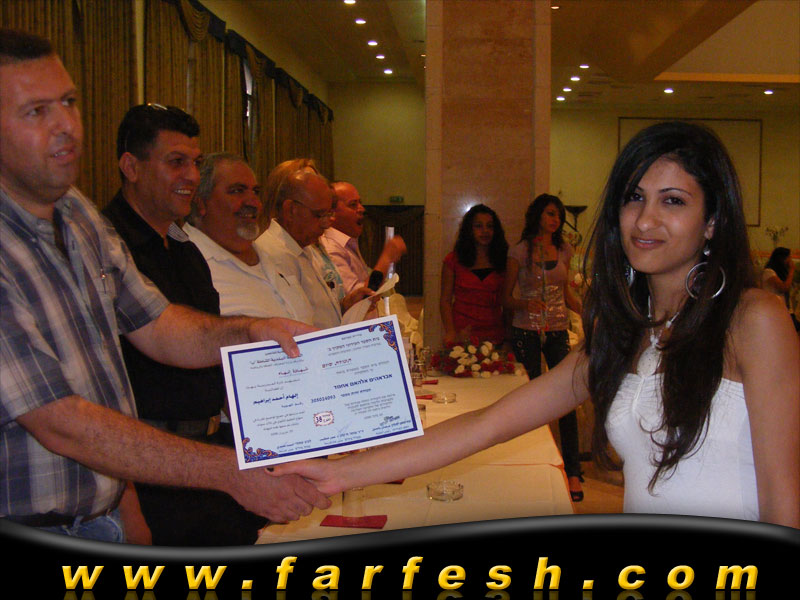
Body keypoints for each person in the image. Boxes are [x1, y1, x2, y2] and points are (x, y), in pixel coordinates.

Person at [273, 120, 800, 528]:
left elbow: (785, 502)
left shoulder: (752, 320)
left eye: (674, 201)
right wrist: (340, 472)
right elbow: (487, 425)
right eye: (634, 197)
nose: (645, 219)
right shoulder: (627, 330)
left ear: (712, 221)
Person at [0, 28, 330, 543]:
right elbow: (58, 420)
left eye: (68, 102)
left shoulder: (76, 212)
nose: (66, 126)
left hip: (101, 513)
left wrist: (253, 331)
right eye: (36, 111)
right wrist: (229, 473)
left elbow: (157, 324)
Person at [502, 194, 584, 502]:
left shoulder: (564, 249)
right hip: (527, 329)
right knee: (532, 400)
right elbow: (505, 298)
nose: (555, 220)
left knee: (566, 398)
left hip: (558, 329)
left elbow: (568, 295)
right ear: (537, 215)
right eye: (550, 213)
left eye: (558, 215)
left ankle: (573, 471)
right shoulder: (519, 251)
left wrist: (589, 313)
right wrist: (526, 303)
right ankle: (533, 468)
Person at [185, 152, 314, 323]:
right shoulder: (187, 266)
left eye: (255, 192)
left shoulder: (269, 254)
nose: (254, 203)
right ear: (201, 202)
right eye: (237, 191)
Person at [254, 163, 374, 329]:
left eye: (329, 214)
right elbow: (293, 326)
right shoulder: (272, 254)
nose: (326, 224)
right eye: (320, 215)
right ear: (291, 210)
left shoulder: (306, 246)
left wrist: (345, 306)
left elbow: (317, 312)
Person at [321, 180, 407, 295]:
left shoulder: (348, 243)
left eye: (360, 203)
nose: (362, 209)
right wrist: (386, 259)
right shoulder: (331, 249)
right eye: (353, 205)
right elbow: (361, 297)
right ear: (331, 212)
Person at [440, 203, 508, 347]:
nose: (485, 231)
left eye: (490, 226)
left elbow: (507, 302)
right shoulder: (453, 260)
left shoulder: (502, 261)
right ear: (469, 230)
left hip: (495, 335)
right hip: (463, 334)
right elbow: (445, 300)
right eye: (478, 226)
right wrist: (451, 332)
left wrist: (509, 335)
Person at [760, 247, 798, 331]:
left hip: (786, 309)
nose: (790, 261)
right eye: (788, 257)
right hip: (776, 309)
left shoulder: (781, 273)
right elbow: (784, 287)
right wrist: (791, 271)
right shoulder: (769, 272)